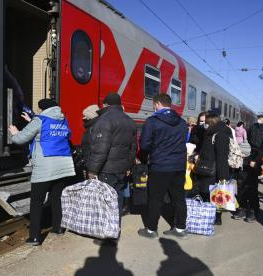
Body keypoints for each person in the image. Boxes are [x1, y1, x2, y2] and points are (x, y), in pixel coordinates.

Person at [8, 99, 75, 246]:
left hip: (46, 167)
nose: (37, 112)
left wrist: (15, 133)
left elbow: (20, 139)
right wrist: (32, 120)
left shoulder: (39, 120)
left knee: (36, 201)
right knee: (56, 198)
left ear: (42, 109)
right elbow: (53, 131)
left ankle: (35, 237)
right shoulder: (64, 120)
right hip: (63, 166)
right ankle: (58, 228)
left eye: (38, 109)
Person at [86, 93, 137, 244]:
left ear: (106, 104)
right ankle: (114, 233)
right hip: (121, 169)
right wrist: (128, 166)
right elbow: (133, 148)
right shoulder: (129, 121)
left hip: (107, 169)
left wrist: (92, 170)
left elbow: (100, 149)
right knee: (117, 201)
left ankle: (106, 236)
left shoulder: (104, 120)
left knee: (105, 202)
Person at [138, 94, 188, 239]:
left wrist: (146, 156)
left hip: (159, 166)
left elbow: (145, 145)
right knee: (179, 198)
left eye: (154, 105)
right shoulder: (182, 122)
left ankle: (151, 230)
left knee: (155, 199)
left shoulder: (152, 121)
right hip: (178, 166)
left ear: (157, 103)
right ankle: (180, 229)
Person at [194, 113, 231, 225]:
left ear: (211, 122)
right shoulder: (210, 133)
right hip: (208, 169)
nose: (204, 124)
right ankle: (209, 215)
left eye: (205, 122)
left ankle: (216, 218)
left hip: (215, 170)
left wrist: (223, 177)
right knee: (207, 194)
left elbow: (222, 158)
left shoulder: (220, 135)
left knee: (217, 194)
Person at [232, 114, 263, 222]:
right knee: (241, 185)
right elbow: (246, 141)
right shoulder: (253, 127)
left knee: (252, 187)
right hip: (246, 158)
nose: (259, 120)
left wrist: (257, 160)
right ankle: (242, 208)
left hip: (256, 160)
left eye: (261, 119)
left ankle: (253, 209)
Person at [79, 104, 100, 178]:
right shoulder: (94, 126)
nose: (83, 118)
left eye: (86, 116)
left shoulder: (93, 128)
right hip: (92, 164)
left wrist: (92, 169)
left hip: (92, 165)